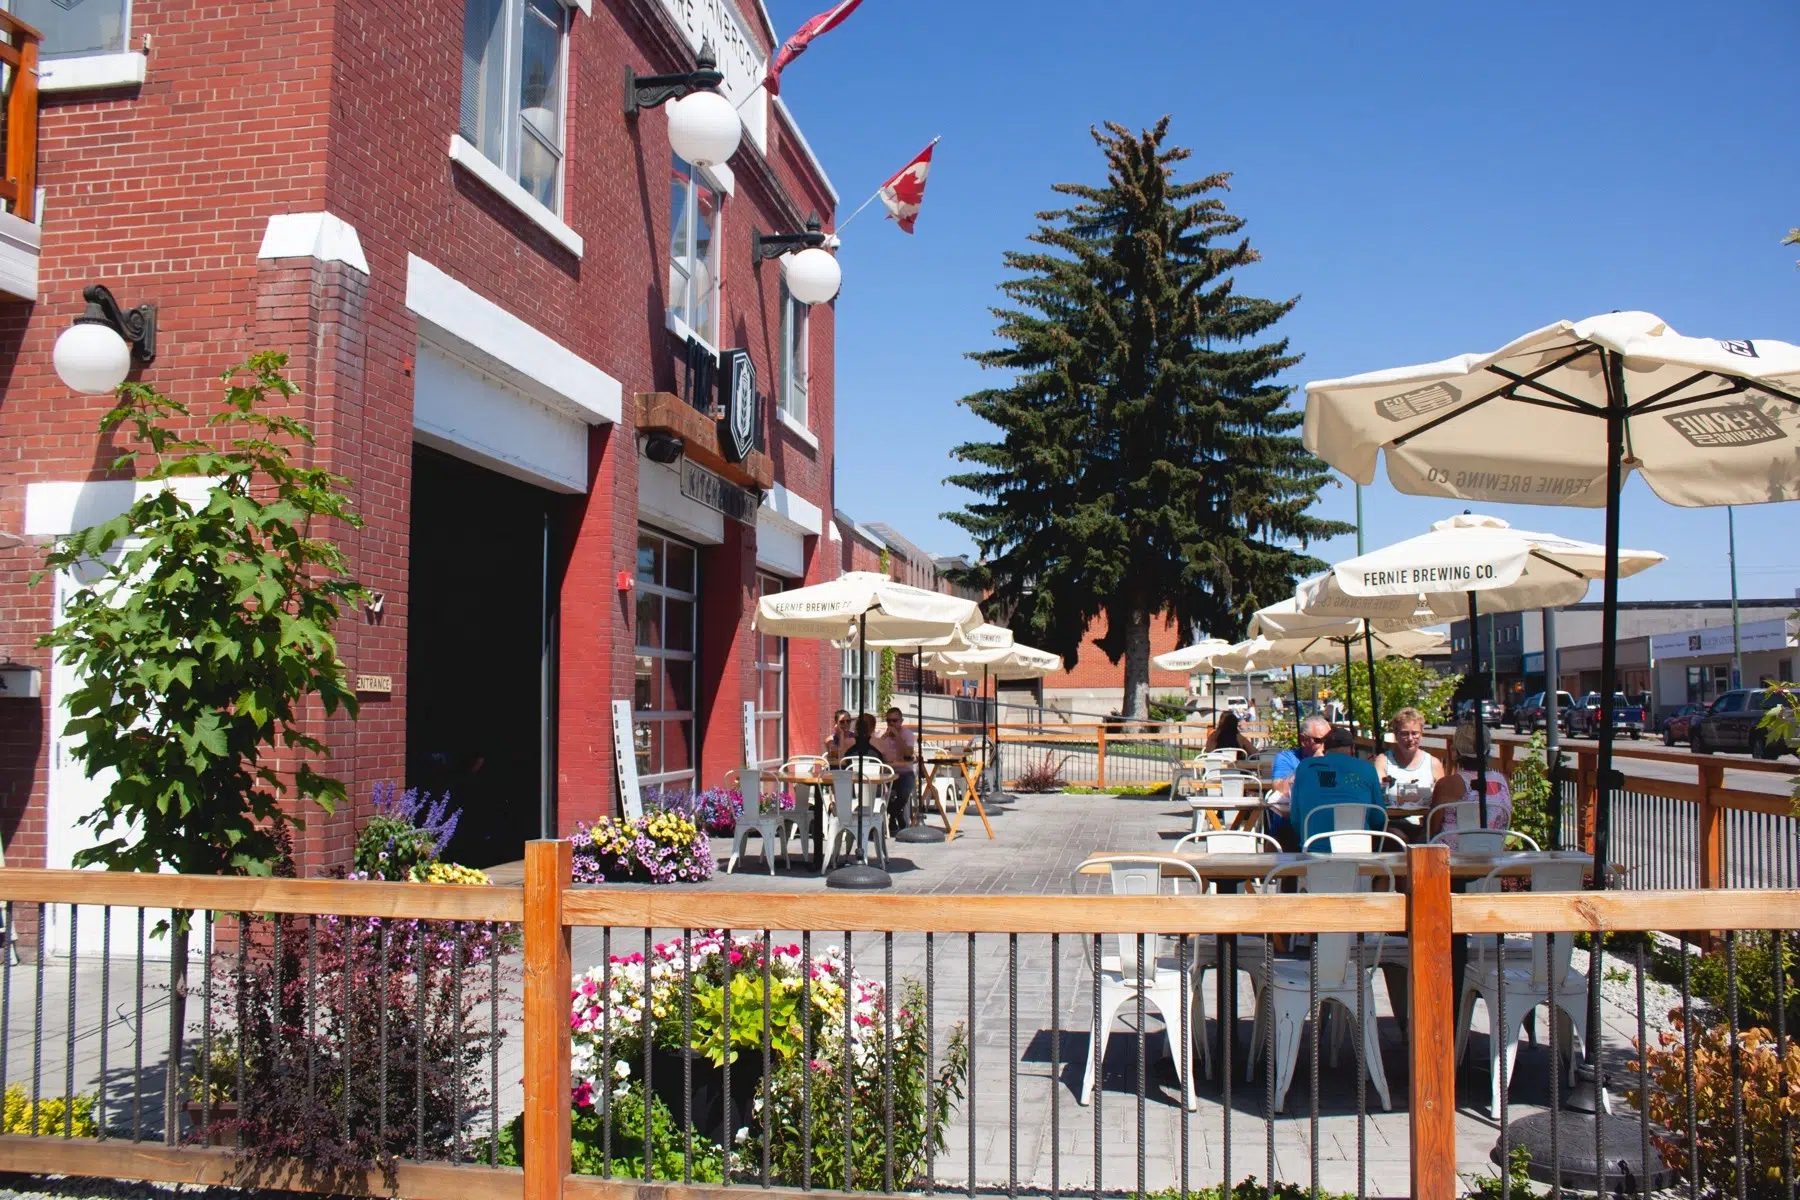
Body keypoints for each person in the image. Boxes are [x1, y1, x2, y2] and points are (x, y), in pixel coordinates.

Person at [1287, 726, 1385, 852]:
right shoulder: (1366, 768)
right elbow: (1379, 818)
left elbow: (1296, 818)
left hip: (1313, 855)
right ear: (1352, 749)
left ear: (1324, 750)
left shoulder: (1306, 767)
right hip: (1360, 856)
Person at [1433, 721, 1513, 844]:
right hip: (1492, 852)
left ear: (1456, 750)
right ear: (1488, 748)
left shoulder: (1447, 784)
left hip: (1452, 856)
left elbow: (1433, 827)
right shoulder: (1503, 781)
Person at [1266, 715, 1330, 849]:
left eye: (1328, 740)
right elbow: (1279, 788)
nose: (1325, 746)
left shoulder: (1332, 759)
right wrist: (1310, 765)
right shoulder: (1286, 758)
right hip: (1290, 828)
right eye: (1320, 740)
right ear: (1303, 740)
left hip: (1325, 825)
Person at [1376, 707, 1444, 804]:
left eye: (1415, 733)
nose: (1410, 738)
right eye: (1404, 734)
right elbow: (1379, 794)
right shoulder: (1383, 761)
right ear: (1395, 735)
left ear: (1421, 734)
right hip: (1392, 818)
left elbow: (1441, 799)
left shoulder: (1433, 763)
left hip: (1424, 818)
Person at [874, 706, 918, 833]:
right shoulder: (882, 734)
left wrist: (897, 736)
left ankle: (893, 814)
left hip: (904, 771)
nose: (891, 724)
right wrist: (884, 738)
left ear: (901, 721)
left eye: (895, 721)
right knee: (877, 793)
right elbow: (875, 751)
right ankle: (896, 815)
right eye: (889, 721)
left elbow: (908, 752)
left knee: (904, 794)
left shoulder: (907, 734)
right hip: (887, 772)